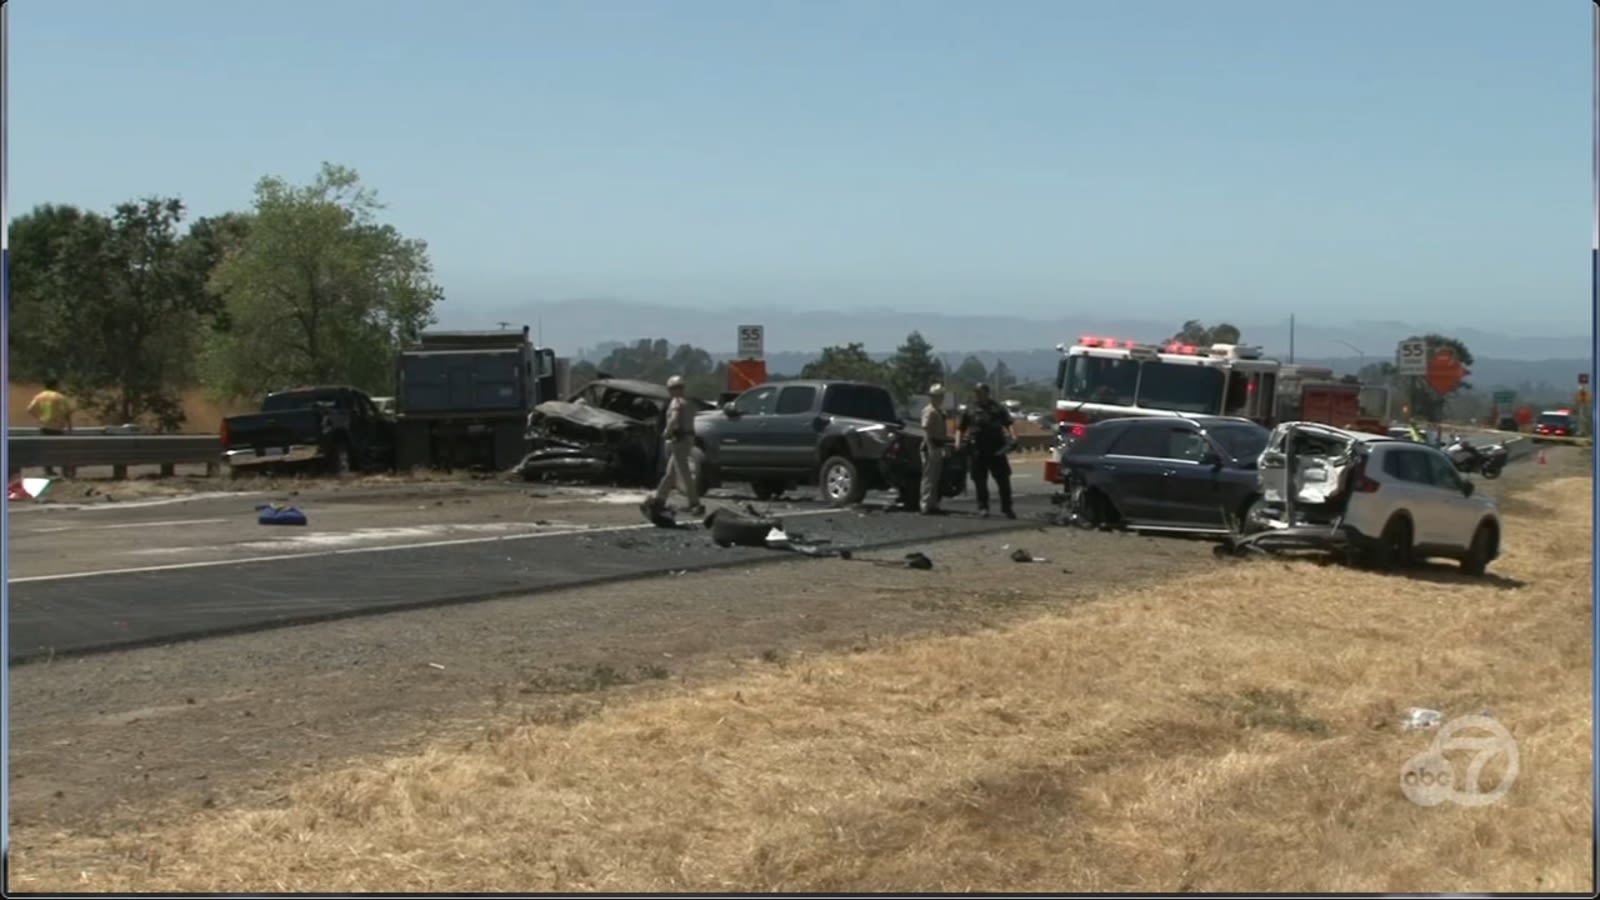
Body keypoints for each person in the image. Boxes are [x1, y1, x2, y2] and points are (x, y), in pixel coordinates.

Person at [644, 375, 704, 518]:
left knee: (683, 472)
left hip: (679, 440)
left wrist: (667, 431)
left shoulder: (676, 402)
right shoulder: (689, 403)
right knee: (670, 473)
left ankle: (694, 503)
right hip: (688, 438)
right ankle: (660, 499)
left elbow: (674, 420)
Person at [957, 382, 1015, 519]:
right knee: (980, 481)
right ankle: (983, 507)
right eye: (976, 392)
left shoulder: (997, 408)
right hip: (978, 450)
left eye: (981, 392)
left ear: (987, 393)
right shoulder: (970, 409)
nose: (978, 395)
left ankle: (1007, 508)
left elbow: (1008, 423)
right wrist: (958, 442)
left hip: (997, 449)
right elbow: (961, 427)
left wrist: (1014, 437)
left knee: (1003, 480)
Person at [27, 379, 75, 477]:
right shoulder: (60, 397)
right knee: (61, 450)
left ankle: (48, 471)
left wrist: (40, 417)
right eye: (59, 385)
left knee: (46, 450)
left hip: (44, 426)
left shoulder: (39, 396)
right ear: (55, 386)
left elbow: (30, 409)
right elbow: (67, 412)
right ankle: (65, 472)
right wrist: (70, 427)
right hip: (57, 427)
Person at [917, 384, 951, 515]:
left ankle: (933, 503)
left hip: (938, 445)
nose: (938, 398)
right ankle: (925, 504)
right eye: (936, 396)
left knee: (935, 477)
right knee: (928, 477)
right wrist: (930, 446)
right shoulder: (929, 410)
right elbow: (926, 429)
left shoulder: (939, 411)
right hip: (930, 446)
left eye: (940, 396)